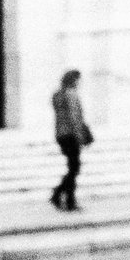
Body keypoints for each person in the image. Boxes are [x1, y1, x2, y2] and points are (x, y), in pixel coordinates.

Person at [50, 68, 90, 210]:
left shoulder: (57, 94)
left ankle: (59, 194)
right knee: (75, 168)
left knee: (73, 167)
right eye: (78, 80)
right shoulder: (71, 94)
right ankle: (66, 199)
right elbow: (74, 118)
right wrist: (80, 136)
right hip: (71, 135)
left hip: (60, 134)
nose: (80, 83)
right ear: (74, 80)